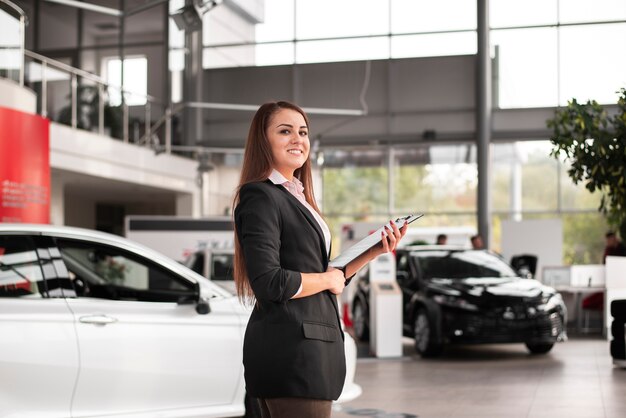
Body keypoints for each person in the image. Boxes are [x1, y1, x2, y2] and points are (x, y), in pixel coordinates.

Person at [233, 101, 407, 418]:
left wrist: (373, 250)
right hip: (291, 355)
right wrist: (327, 279)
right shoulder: (261, 195)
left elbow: (326, 274)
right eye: (285, 131)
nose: (298, 139)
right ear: (263, 140)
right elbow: (269, 282)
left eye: (303, 132)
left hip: (308, 353)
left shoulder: (296, 195)